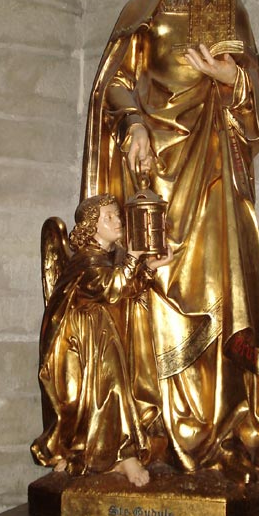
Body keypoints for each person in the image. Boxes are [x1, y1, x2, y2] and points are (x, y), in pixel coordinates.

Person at [81, 0, 259, 479]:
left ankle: (219, 435)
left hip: (213, 174)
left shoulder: (231, 9)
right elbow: (115, 81)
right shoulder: (138, 11)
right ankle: (152, 433)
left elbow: (255, 105)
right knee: (149, 293)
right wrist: (134, 121)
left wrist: (231, 75)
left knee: (211, 296)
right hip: (151, 177)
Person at [31, 194, 171, 487]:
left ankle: (121, 454)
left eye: (117, 215)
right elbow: (110, 287)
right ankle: (80, 452)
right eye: (109, 217)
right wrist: (134, 258)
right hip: (77, 343)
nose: (118, 220)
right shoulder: (86, 259)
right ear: (92, 226)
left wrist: (149, 268)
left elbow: (127, 288)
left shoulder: (108, 256)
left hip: (101, 336)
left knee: (111, 391)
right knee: (85, 398)